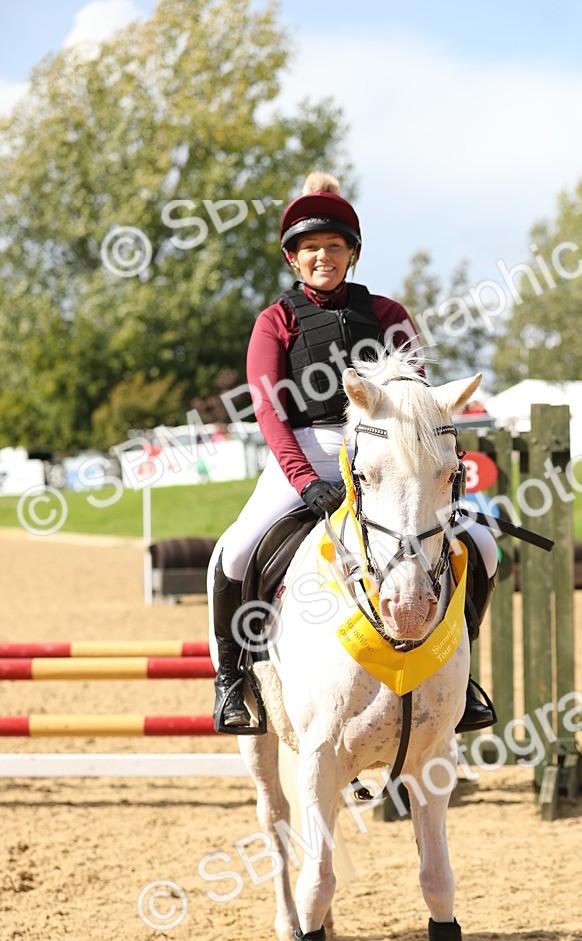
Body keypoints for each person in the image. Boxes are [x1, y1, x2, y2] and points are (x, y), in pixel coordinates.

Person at [209, 172, 498, 734]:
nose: (323, 257)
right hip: (306, 452)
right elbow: (268, 409)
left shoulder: (389, 316)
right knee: (237, 551)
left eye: (334, 247)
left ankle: (458, 673)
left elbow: (417, 404)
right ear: (294, 260)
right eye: (310, 249)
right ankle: (233, 680)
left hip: (386, 461)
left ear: (353, 254)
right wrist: (304, 480)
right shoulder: (276, 321)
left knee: (483, 546)